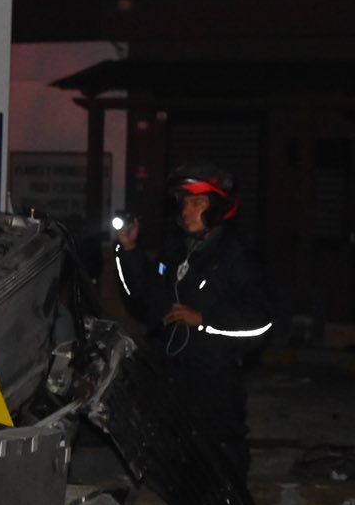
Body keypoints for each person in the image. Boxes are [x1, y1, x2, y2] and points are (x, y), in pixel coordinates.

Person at [112, 163, 272, 478]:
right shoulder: (175, 253)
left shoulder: (236, 257)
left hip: (213, 378)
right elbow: (143, 301)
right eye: (184, 202)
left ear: (218, 208)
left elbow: (260, 323)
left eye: (197, 203)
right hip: (170, 373)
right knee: (175, 454)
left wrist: (203, 319)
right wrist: (129, 250)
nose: (187, 210)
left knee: (220, 455)